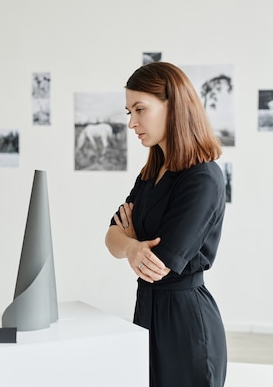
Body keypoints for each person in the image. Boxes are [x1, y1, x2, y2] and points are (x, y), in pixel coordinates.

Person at [105, 62, 227, 387]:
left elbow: (160, 265)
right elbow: (111, 237)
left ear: (173, 105)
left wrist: (129, 242)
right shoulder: (149, 175)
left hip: (185, 323)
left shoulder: (203, 177)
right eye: (129, 111)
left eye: (140, 109)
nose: (132, 122)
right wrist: (131, 246)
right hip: (146, 311)